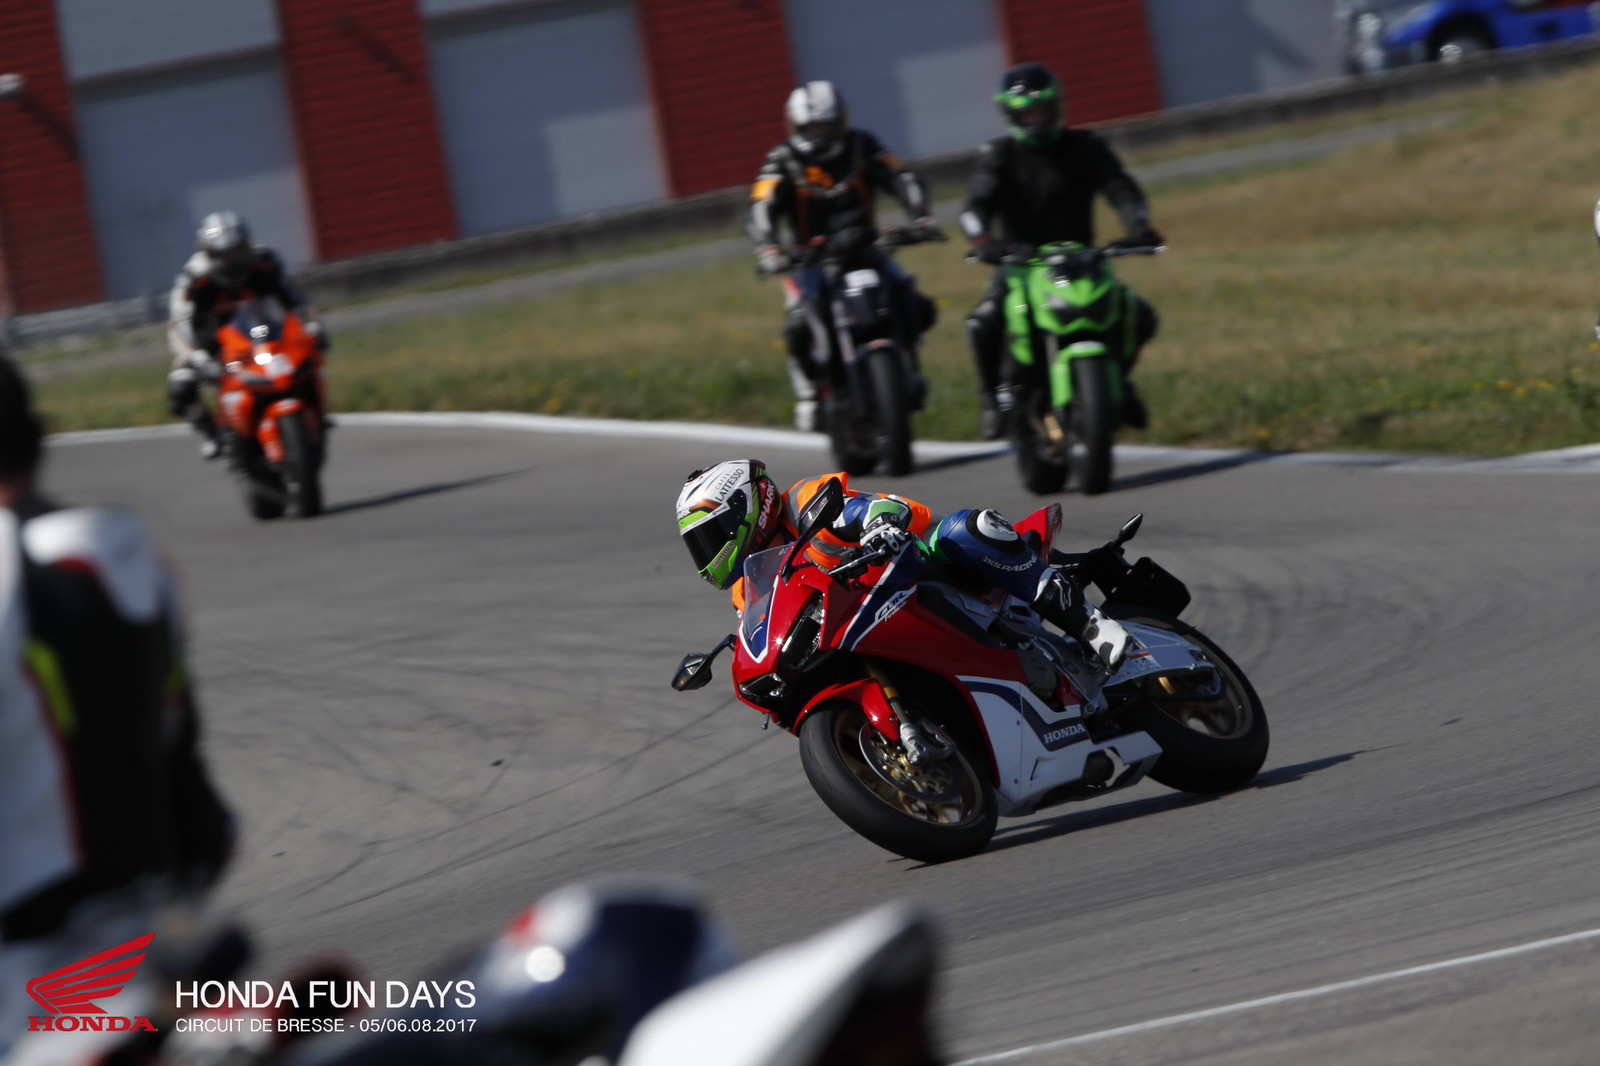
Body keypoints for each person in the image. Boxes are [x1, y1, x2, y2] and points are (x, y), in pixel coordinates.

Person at [0, 356, 233, 1047]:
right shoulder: (132, 563)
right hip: (161, 938)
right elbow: (199, 812)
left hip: (31, 978)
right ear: (37, 438)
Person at [673, 459, 1129, 671]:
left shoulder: (804, 502)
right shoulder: (747, 588)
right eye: (698, 545)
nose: (707, 554)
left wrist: (879, 526)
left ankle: (1088, 623)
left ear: (745, 508)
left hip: (917, 575)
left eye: (709, 537)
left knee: (965, 529)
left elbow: (872, 508)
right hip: (867, 630)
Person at [961, 63, 1165, 440]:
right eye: (1027, 113)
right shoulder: (998, 155)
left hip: (1082, 260)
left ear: (1057, 107)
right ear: (1011, 115)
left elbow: (1121, 189)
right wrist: (983, 242)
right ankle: (992, 398)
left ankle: (1118, 381)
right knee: (983, 321)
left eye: (1042, 110)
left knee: (1138, 314)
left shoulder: (1086, 146)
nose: (1036, 120)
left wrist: (1138, 226)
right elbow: (976, 206)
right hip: (1021, 263)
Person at [749, 81, 943, 432]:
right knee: (798, 326)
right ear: (798, 125)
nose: (823, 133)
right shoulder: (782, 158)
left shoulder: (862, 144)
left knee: (914, 302)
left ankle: (909, 367)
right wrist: (769, 248)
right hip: (811, 260)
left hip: (867, 249)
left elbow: (900, 176)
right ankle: (810, 394)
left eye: (829, 124)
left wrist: (921, 218)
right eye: (815, 127)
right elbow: (763, 203)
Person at [166, 211, 326, 459]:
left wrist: (312, 325)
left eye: (237, 252)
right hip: (210, 339)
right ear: (209, 254)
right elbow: (180, 323)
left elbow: (295, 298)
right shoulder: (193, 278)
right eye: (224, 255)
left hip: (263, 330)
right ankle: (212, 433)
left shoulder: (265, 260)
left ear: (247, 245)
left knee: (313, 350)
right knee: (180, 386)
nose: (232, 262)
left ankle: (318, 414)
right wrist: (196, 356)